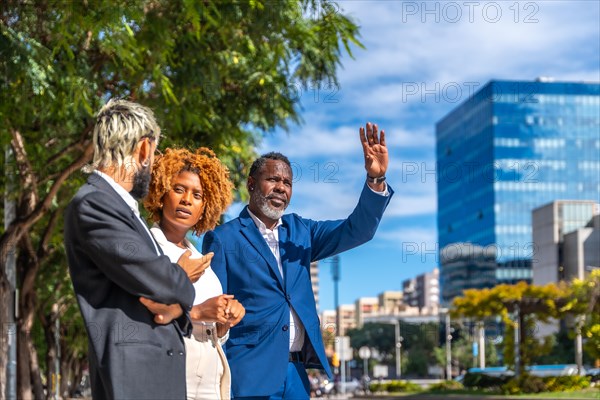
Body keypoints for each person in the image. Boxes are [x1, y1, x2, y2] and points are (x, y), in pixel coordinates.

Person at [203, 122, 393, 399]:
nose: (281, 187)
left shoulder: (302, 232)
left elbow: (358, 230)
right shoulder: (223, 239)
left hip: (297, 376)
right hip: (248, 374)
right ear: (251, 184)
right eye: (273, 180)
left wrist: (375, 180)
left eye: (287, 183)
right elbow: (214, 309)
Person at [64, 99, 211, 399]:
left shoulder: (120, 207)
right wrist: (181, 276)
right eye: (154, 154)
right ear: (144, 149)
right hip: (134, 381)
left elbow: (156, 289)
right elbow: (159, 279)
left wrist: (174, 306)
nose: (153, 163)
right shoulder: (94, 203)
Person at [143, 147, 246, 400]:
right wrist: (198, 312)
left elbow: (215, 333)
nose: (187, 200)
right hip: (171, 370)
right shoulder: (145, 246)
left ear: (205, 208)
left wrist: (224, 323)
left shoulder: (203, 261)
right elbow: (138, 311)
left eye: (197, 195)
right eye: (178, 189)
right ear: (160, 193)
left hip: (212, 373)